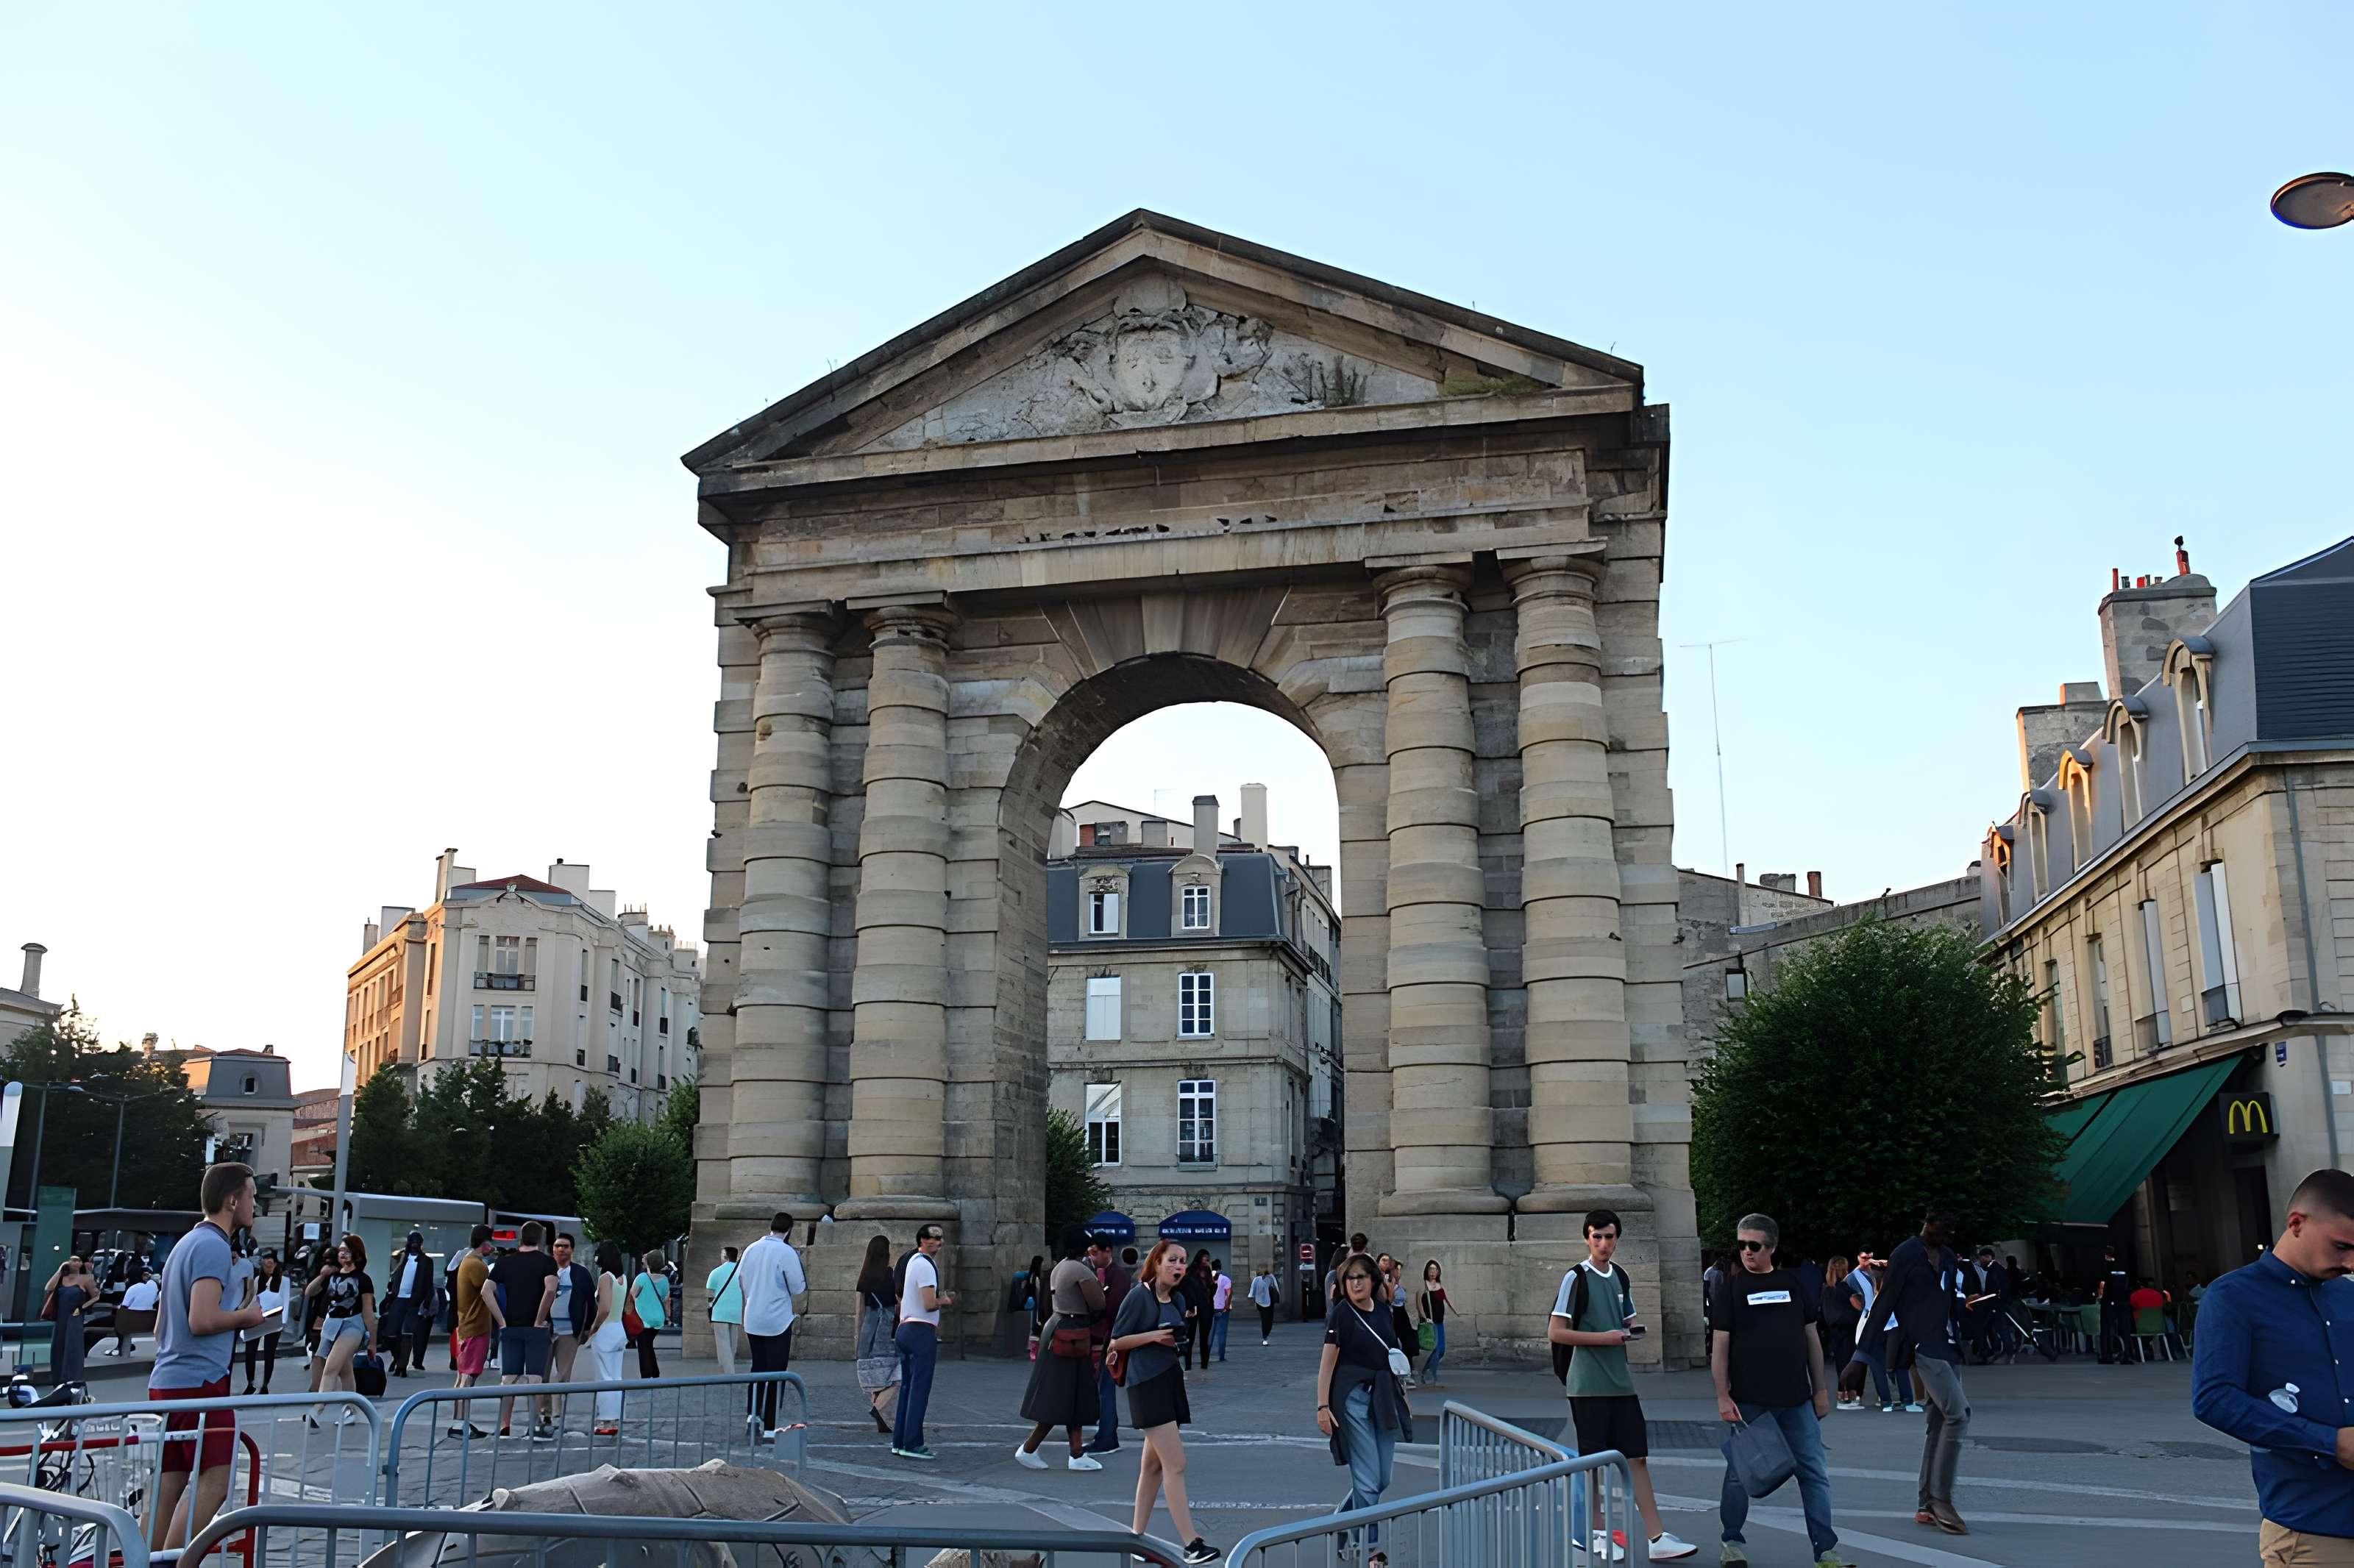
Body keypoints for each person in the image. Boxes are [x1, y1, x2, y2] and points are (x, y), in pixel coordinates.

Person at [2194, 1167, 2354, 1565]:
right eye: (2341, 1247)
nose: (2351, 1262)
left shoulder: (2347, 1297)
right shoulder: (2232, 1297)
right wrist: (2329, 1442)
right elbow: (2214, 1399)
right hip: (2313, 1530)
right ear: (2296, 1223)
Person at [1550, 1208, 1698, 1561]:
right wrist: (1605, 1338)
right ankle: (1598, 1534)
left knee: (1638, 1458)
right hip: (1587, 1383)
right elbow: (1556, 1332)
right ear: (1587, 1238)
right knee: (1595, 1462)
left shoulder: (1620, 1276)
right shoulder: (1575, 1277)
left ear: (1618, 1238)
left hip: (1620, 1380)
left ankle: (1656, 1537)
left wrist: (1629, 1331)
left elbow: (1627, 1320)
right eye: (1597, 1236)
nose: (1604, 1243)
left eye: (1609, 1236)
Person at [1710, 1213, 1847, 1568]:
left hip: (1796, 1399)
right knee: (1740, 1475)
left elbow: (1811, 1338)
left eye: (1754, 1246)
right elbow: (1720, 1346)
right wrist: (1722, 1395)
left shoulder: (1792, 1283)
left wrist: (1820, 1390)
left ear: (1771, 1247)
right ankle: (1731, 1543)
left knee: (1814, 1473)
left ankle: (1826, 1551)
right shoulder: (1729, 1288)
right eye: (1740, 1245)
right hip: (1749, 1401)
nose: (1746, 1252)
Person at [146, 1162, 266, 1553]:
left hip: (168, 1380)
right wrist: (247, 1317)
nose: (255, 1204)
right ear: (232, 1199)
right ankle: (175, 1564)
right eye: (251, 1195)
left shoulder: (186, 1244)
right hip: (200, 1384)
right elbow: (202, 1319)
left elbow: (163, 1324)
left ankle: (142, 1559)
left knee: (169, 1484)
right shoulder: (214, 1246)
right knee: (215, 1482)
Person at [1863, 1209, 1972, 1536]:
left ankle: (1927, 1503)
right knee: (1958, 1415)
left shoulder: (1949, 1257)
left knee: (1940, 1420)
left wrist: (1963, 1315)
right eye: (1936, 1228)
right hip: (1924, 1345)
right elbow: (1886, 1301)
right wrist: (1862, 1354)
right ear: (1925, 1225)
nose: (1940, 1234)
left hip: (1948, 1343)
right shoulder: (1906, 1253)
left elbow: (1950, 1297)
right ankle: (1941, 1499)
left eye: (1946, 1230)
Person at [1113, 1239, 1217, 1567]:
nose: (1179, 1266)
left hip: (1168, 1378)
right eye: (1172, 1260)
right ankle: (1191, 1543)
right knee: (1176, 1463)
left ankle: (1135, 1538)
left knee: (1153, 1465)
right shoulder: (1138, 1296)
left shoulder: (1178, 1297)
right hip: (1145, 1383)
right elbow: (1116, 1340)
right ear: (1156, 1263)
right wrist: (1154, 1337)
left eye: (1183, 1261)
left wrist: (1176, 1339)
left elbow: (1178, 1335)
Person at [1318, 1251, 1409, 1568]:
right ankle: (1373, 1549)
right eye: (1350, 1278)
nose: (1356, 1283)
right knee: (1367, 1481)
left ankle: (1343, 1522)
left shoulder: (1383, 1312)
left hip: (1383, 1398)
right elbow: (1327, 1363)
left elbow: (1392, 1355)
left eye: (1361, 1277)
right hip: (1352, 1401)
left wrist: (1403, 1395)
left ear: (1373, 1280)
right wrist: (1322, 1406)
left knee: (1382, 1478)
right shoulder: (1341, 1314)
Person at [1014, 1225, 1108, 1472]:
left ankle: (1075, 1453)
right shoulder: (1080, 1269)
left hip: (1057, 1327)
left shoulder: (1059, 1267)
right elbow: (1099, 1302)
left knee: (1068, 1394)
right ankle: (1032, 1448)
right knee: (1068, 1393)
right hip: (1073, 1332)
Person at [738, 1211, 808, 1436]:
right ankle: (769, 1426)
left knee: (757, 1368)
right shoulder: (786, 1252)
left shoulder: (751, 1249)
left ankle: (752, 1414)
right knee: (777, 1372)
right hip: (777, 1319)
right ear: (789, 1230)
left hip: (753, 1316)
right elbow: (798, 1287)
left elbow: (742, 1281)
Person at [488, 1221, 560, 1441]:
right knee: (535, 1378)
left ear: (520, 1238)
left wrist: (501, 1320)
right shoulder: (547, 1263)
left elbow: (486, 1291)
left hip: (511, 1326)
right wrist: (540, 1318)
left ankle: (504, 1425)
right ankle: (536, 1424)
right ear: (540, 1239)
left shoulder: (504, 1262)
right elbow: (550, 1290)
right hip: (536, 1329)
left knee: (508, 1378)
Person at [892, 1223, 955, 1461]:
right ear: (922, 1240)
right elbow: (929, 1303)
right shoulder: (926, 1266)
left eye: (940, 1238)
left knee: (907, 1388)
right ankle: (912, 1443)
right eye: (933, 1238)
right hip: (920, 1331)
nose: (938, 1242)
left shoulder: (912, 1262)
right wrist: (946, 1300)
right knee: (919, 1390)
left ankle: (900, 1441)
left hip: (905, 1329)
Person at [305, 1237, 377, 1417]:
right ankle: (351, 1410)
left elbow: (369, 1313)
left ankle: (317, 1409)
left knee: (330, 1367)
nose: (343, 1254)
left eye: (347, 1250)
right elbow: (309, 1292)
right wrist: (323, 1275)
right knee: (345, 1370)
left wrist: (373, 1342)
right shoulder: (333, 1276)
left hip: (353, 1325)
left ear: (356, 1253)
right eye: (340, 1251)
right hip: (332, 1325)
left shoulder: (363, 1279)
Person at [541, 1233, 597, 1431]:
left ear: (572, 1249)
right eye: (557, 1246)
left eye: (565, 1246)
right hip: (545, 1330)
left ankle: (557, 1417)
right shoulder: (544, 1270)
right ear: (552, 1249)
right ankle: (544, 1413)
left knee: (563, 1376)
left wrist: (587, 1328)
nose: (561, 1249)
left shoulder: (581, 1274)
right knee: (542, 1375)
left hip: (569, 1331)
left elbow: (591, 1301)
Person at [446, 1225, 496, 1438]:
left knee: (463, 1374)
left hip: (466, 1324)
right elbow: (488, 1291)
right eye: (491, 1242)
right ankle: (460, 1423)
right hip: (475, 1326)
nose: (493, 1247)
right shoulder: (477, 1265)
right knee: (468, 1376)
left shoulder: (466, 1261)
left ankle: (460, 1421)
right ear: (484, 1244)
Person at [1088, 1242, 1134, 1455]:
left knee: (1106, 1389)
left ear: (1107, 1251)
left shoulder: (1119, 1275)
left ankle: (1107, 1436)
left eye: (1095, 1252)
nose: (1092, 1256)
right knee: (1102, 1389)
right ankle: (1105, 1434)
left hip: (1113, 1339)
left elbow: (1113, 1307)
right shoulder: (1097, 1272)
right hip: (1102, 1338)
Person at [854, 1235, 900, 1436]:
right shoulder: (891, 1276)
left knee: (875, 1379)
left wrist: (857, 1339)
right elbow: (898, 1306)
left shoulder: (863, 1278)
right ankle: (877, 1410)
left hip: (868, 1334)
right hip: (886, 1334)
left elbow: (859, 1313)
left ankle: (882, 1419)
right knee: (897, 1377)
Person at [586, 1240, 628, 1436]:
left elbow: (604, 1308)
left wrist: (593, 1328)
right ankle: (615, 1419)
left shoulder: (605, 1278)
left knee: (604, 1377)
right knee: (616, 1376)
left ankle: (605, 1420)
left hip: (606, 1331)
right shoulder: (623, 1278)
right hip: (619, 1328)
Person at [383, 1230, 435, 1378]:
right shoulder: (402, 1258)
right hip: (397, 1299)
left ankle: (402, 1366)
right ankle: (397, 1358)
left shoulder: (426, 1261)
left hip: (414, 1301)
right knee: (391, 1334)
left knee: (407, 1334)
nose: (414, 1244)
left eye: (417, 1242)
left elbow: (428, 1283)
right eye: (412, 1241)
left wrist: (426, 1301)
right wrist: (388, 1298)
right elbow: (394, 1277)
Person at [40, 1254, 94, 1390]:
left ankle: (73, 1380)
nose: (75, 1263)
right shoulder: (62, 1278)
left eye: (78, 1260)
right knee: (59, 1347)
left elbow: (95, 1297)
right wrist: (59, 1270)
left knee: (72, 1347)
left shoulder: (86, 1279)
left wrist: (81, 1309)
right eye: (73, 1260)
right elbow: (48, 1288)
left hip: (75, 1318)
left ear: (82, 1264)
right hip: (61, 1318)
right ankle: (57, 1380)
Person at [241, 1251, 288, 1394]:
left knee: (269, 1354)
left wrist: (283, 1322)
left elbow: (286, 1300)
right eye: (266, 1260)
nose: (269, 1263)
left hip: (274, 1320)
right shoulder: (257, 1280)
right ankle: (251, 1383)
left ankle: (265, 1385)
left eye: (271, 1260)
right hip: (257, 1318)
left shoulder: (284, 1280)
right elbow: (254, 1298)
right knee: (250, 1352)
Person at [705, 1244, 745, 1375]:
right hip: (736, 1313)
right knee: (732, 1344)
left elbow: (710, 1295)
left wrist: (710, 1309)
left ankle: (729, 1372)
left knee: (723, 1343)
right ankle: (725, 1367)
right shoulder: (742, 1272)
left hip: (719, 1313)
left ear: (725, 1256)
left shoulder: (715, 1272)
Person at [630, 1250, 669, 1379]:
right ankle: (655, 1372)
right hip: (658, 1319)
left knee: (643, 1348)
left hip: (642, 1319)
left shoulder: (642, 1278)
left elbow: (633, 1294)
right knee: (648, 1345)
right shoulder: (665, 1280)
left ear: (649, 1263)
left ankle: (646, 1377)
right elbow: (665, 1298)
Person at [2096, 1244, 2133, 1364]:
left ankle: (2107, 1354)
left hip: (2109, 1300)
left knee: (2107, 1328)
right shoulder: (2125, 1266)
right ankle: (2127, 1354)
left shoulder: (2105, 1267)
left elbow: (2102, 1282)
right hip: (2123, 1301)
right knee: (2125, 1328)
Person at [1415, 1260, 1450, 1387]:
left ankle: (1425, 1371)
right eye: (1431, 1269)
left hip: (1440, 1322)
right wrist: (1425, 1318)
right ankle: (1432, 1376)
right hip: (1431, 1323)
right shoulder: (1423, 1287)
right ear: (1426, 1271)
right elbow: (1419, 1305)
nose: (1433, 1272)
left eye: (1435, 1269)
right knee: (1436, 1350)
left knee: (1441, 1351)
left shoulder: (1440, 1286)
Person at [111, 1266, 159, 1355]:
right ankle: (121, 1346)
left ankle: (120, 1345)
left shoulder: (133, 1288)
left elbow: (123, 1307)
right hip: (149, 1323)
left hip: (128, 1322)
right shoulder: (154, 1286)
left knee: (92, 1325)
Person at [1249, 1263, 1280, 1347]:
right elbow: (1253, 1291)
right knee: (1265, 1319)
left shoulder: (1271, 1277)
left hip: (1270, 1302)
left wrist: (1277, 1298)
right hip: (1260, 1302)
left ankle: (1266, 1334)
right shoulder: (1257, 1279)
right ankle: (1265, 1337)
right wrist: (1254, 1300)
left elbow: (1276, 1288)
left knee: (1269, 1320)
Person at [1209, 1258, 1233, 1364]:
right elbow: (1229, 1293)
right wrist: (1227, 1306)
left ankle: (1206, 1354)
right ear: (1220, 1267)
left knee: (1209, 1333)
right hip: (1223, 1309)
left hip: (1210, 1309)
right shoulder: (1225, 1279)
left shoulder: (1207, 1278)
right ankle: (1221, 1356)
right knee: (1222, 1333)